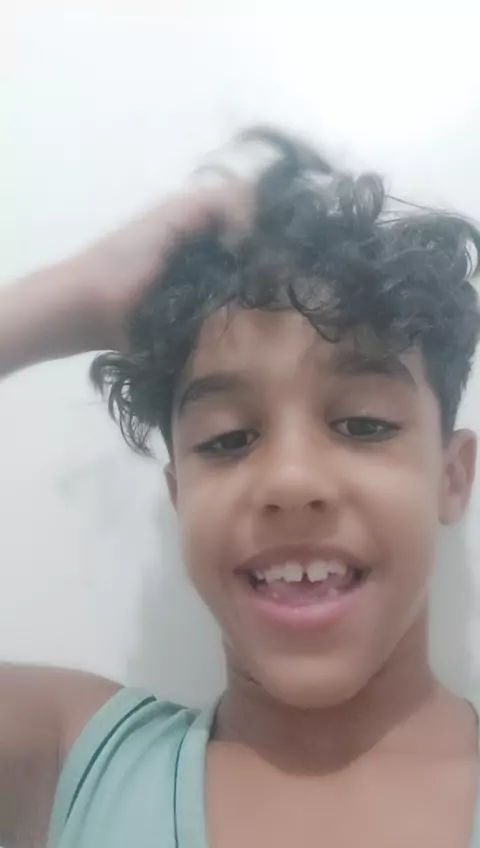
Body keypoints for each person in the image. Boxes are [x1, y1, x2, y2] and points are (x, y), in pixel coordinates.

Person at [1, 129, 479, 848]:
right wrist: (76, 293)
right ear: (179, 497)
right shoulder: (71, 759)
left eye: (362, 424)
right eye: (228, 439)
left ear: (451, 476)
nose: (291, 480)